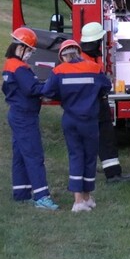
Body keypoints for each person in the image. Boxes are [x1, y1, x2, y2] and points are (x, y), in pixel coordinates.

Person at [42, 40, 111, 212]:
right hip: (90, 121)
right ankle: (87, 197)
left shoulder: (58, 71)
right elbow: (106, 87)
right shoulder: (94, 68)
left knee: (75, 156)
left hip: (71, 120)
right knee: (90, 157)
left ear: (63, 56)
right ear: (78, 52)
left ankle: (78, 200)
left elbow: (48, 92)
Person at [1, 27, 59, 210]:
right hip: (25, 116)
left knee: (20, 155)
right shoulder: (19, 68)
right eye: (31, 51)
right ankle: (42, 196)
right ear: (22, 48)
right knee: (34, 155)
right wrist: (52, 86)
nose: (30, 55)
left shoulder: (10, 64)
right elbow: (32, 89)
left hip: (17, 113)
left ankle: (21, 193)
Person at [79, 22, 130, 184]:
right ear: (96, 42)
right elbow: (105, 85)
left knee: (89, 141)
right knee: (106, 139)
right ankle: (113, 175)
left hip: (83, 108)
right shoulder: (91, 64)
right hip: (97, 105)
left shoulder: (81, 59)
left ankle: (87, 171)